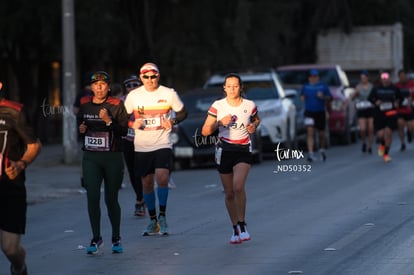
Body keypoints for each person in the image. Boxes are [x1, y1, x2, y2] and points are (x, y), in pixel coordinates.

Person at [124, 63, 187, 236]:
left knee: (162, 177)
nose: (150, 80)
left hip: (163, 143)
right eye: (146, 77)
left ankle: (163, 216)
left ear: (158, 76)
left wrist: (173, 121)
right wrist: (131, 123)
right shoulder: (134, 96)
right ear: (141, 78)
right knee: (147, 183)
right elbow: (121, 117)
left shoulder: (169, 93)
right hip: (142, 146)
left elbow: (183, 113)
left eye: (153, 76)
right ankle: (153, 221)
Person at [201, 73, 260, 244]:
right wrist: (219, 123)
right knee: (229, 193)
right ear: (224, 88)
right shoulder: (218, 106)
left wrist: (253, 126)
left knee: (238, 186)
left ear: (241, 87)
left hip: (242, 148)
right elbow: (205, 131)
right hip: (224, 149)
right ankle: (234, 227)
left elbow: (257, 120)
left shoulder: (249, 105)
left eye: (236, 86)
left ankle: (242, 224)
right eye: (229, 86)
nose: (232, 89)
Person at [77, 71, 129, 254]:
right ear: (91, 87)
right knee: (92, 197)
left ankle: (116, 237)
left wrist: (108, 122)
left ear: (108, 86)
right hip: (91, 157)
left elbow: (124, 131)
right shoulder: (84, 104)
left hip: (112, 157)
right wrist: (81, 130)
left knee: (111, 198)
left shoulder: (116, 105)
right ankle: (96, 237)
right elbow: (80, 128)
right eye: (95, 84)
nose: (99, 87)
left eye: (103, 84)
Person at [0, 80, 42, 275]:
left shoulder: (14, 112)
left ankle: (19, 267)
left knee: (10, 249)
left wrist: (21, 164)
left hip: (10, 187)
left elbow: (34, 145)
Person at [121, 74, 146, 216]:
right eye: (129, 85)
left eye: (135, 84)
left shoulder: (146, 100)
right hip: (127, 139)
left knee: (142, 170)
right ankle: (139, 198)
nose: (132, 88)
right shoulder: (122, 101)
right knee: (132, 170)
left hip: (144, 139)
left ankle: (144, 195)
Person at [368, 72, 401, 162]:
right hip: (379, 113)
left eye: (386, 78)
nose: (385, 80)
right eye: (383, 78)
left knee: (389, 133)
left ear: (389, 78)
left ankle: (386, 154)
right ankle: (382, 145)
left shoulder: (394, 88)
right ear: (381, 79)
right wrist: (376, 102)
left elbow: (400, 98)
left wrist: (397, 103)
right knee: (381, 135)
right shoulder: (376, 89)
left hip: (391, 112)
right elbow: (370, 98)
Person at [300, 69, 331, 162]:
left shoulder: (323, 86)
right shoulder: (306, 87)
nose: (313, 78)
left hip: (320, 112)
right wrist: (303, 98)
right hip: (309, 112)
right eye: (312, 77)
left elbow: (329, 98)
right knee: (310, 132)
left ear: (318, 77)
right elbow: (301, 97)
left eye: (315, 76)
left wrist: (322, 97)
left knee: (321, 133)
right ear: (309, 78)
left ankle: (322, 149)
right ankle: (310, 153)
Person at [353, 70, 375, 153]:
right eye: (362, 78)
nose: (363, 79)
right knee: (362, 129)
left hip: (370, 109)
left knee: (370, 128)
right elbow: (352, 98)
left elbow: (375, 96)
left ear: (367, 78)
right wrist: (356, 93)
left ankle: (370, 146)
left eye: (365, 78)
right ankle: (364, 142)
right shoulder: (358, 87)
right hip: (362, 109)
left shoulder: (371, 86)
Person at [394, 69, 414, 151]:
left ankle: (410, 132)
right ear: (399, 77)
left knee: (411, 126)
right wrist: (396, 102)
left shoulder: (412, 84)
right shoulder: (396, 86)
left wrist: (411, 98)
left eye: (404, 76)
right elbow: (393, 96)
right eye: (401, 76)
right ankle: (402, 143)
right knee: (400, 124)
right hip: (400, 109)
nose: (402, 78)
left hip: (410, 109)